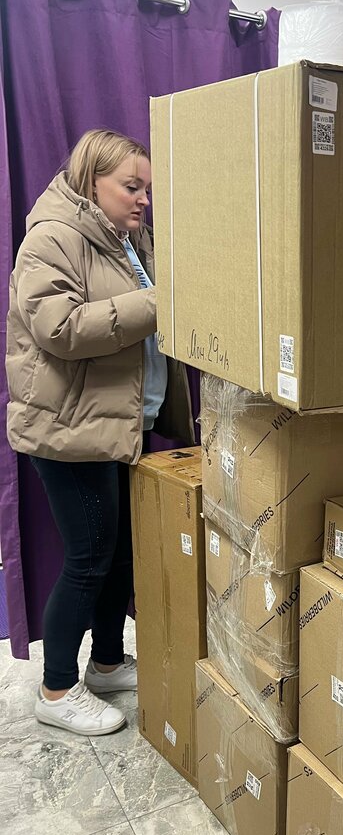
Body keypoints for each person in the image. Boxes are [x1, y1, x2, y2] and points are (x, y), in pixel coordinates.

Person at [6, 129, 194, 735]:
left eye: (147, 189)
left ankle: (108, 663)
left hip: (119, 424)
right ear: (92, 182)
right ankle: (57, 689)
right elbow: (60, 329)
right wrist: (162, 301)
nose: (144, 200)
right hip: (69, 430)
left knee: (121, 554)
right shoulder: (51, 238)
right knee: (88, 558)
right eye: (131, 187)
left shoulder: (128, 240)